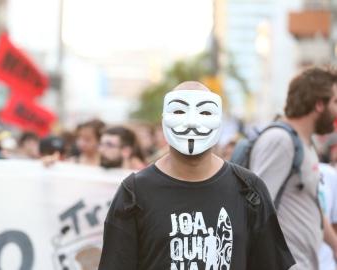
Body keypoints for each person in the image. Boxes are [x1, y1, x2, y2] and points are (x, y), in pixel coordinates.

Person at [99, 81, 295, 270]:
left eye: (204, 112)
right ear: (164, 118)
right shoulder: (135, 192)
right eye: (179, 111)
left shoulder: (249, 189)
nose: (191, 123)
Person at [249, 67, 337, 270]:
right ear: (319, 104)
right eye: (335, 102)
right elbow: (256, 209)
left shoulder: (304, 143)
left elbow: (313, 205)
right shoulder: (280, 141)